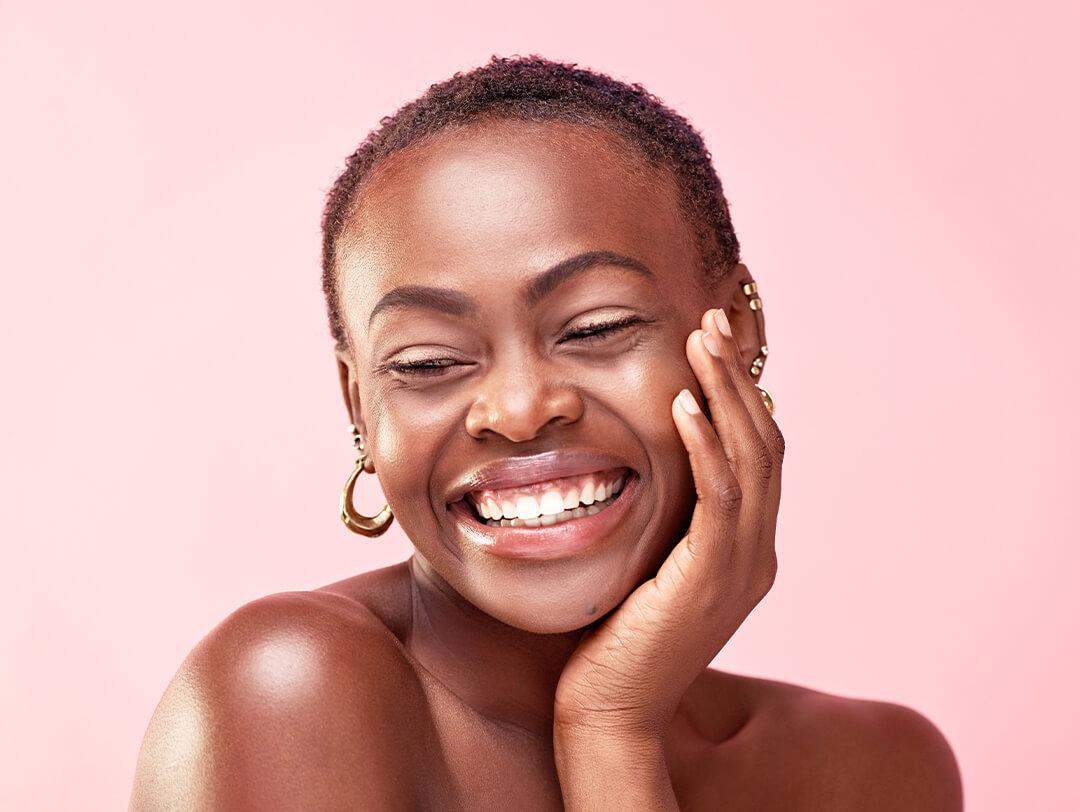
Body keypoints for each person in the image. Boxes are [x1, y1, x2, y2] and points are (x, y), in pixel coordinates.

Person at [130, 55, 962, 810]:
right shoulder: (290, 690)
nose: (520, 409)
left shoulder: (874, 770)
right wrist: (611, 730)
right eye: (426, 362)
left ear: (736, 328)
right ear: (360, 405)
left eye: (595, 327)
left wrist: (613, 723)